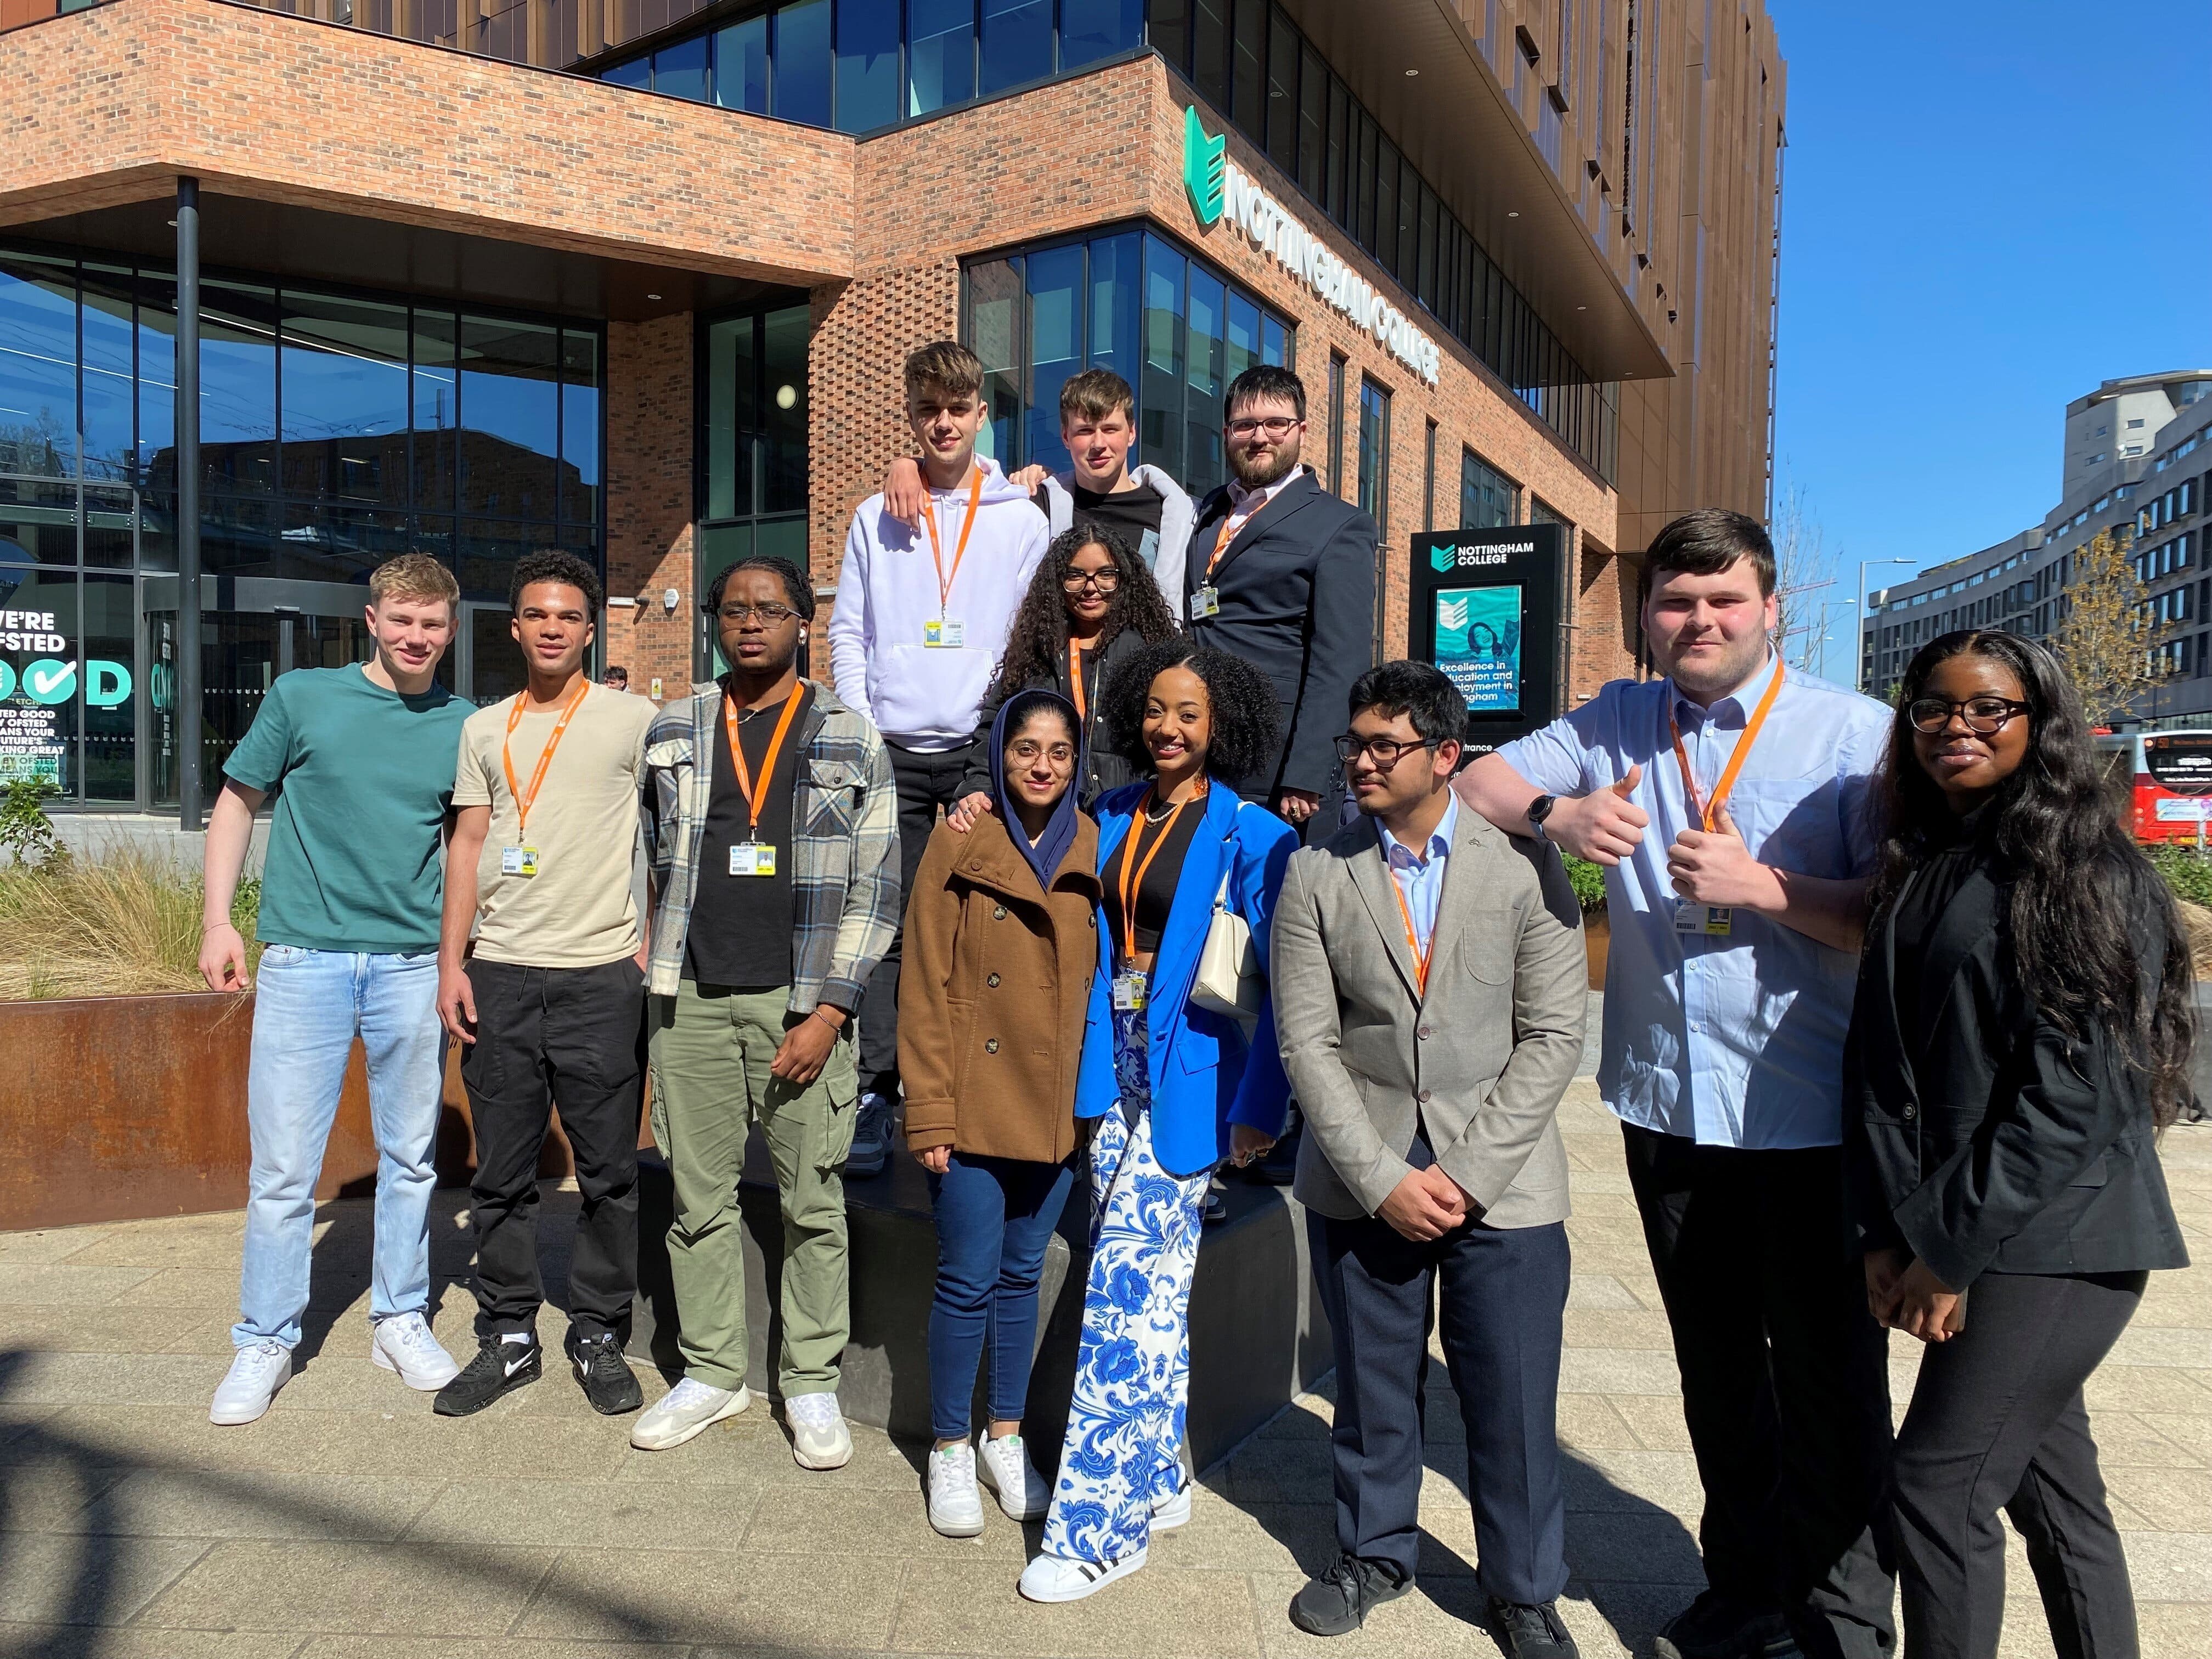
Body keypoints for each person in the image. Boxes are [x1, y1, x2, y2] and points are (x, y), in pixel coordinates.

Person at [1453, 508, 1896, 1659]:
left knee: (1829, 1380)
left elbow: (1895, 916)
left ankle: (1845, 1621)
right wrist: (1558, 813)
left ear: (1770, 609)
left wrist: (1769, 889)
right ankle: (1743, 1587)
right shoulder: (1617, 720)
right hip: (1669, 1110)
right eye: (1676, 601)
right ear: (1647, 616)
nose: (1699, 620)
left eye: (1723, 599)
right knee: (1716, 1372)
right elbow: (1476, 779)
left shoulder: (1854, 736)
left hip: (1806, 1117)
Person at [1847, 630, 2192, 1659]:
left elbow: (2075, 1096)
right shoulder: (1935, 854)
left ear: (2039, 722)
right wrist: (1884, 1229)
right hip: (1973, 1224)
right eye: (1933, 707)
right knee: (2054, 1492)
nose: (1956, 725)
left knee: (1936, 1488)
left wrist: (1944, 1251)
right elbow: (1889, 1067)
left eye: (1988, 707)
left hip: (2054, 1238)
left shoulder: (2083, 870)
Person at [1273, 661, 1587, 1657]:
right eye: (1354, 744)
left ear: (1446, 754)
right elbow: (1307, 1042)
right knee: (1372, 1388)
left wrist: (1465, 1174)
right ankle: (1372, 1552)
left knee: (1513, 1396)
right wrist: (1382, 1178)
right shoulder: (1317, 870)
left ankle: (1524, 1589)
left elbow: (1554, 1034)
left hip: (1506, 1180)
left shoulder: (1523, 865)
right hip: (1363, 1172)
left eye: (1385, 746)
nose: (1360, 762)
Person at [1018, 639, 1297, 1603]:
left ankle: (1103, 1527)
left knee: (1123, 1289)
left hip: (1198, 1083)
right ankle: (1161, 1475)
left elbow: (1290, 987)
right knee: (1151, 1292)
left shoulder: (1255, 835)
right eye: (1155, 709)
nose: (1167, 727)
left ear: (1222, 724)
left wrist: (1263, 1109)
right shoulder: (1111, 812)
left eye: (1188, 713)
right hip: (1112, 1066)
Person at [629, 555, 899, 1470]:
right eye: (735, 609)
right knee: (696, 1198)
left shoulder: (851, 737)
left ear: (802, 623)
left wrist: (829, 1012)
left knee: (812, 1202)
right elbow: (647, 850)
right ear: (714, 620)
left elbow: (876, 889)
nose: (751, 624)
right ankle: (712, 1372)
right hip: (692, 1002)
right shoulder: (675, 726)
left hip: (800, 1005)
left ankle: (811, 1380)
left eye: (771, 610)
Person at [201, 553, 473, 1426]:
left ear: (451, 630)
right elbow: (237, 802)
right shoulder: (302, 697)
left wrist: (460, 956)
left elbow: (469, 849)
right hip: (304, 960)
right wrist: (218, 921)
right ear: (373, 620)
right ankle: (265, 1339)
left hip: (411, 966)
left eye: (431, 624)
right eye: (403, 620)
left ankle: (400, 1318)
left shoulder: (464, 724)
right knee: (284, 1169)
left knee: (412, 1159)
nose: (416, 637)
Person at [432, 550, 658, 1419]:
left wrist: (648, 946)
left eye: (568, 615)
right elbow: (467, 845)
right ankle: (509, 1335)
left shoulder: (634, 721)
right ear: (515, 627)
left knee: (609, 1174)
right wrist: (453, 963)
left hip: (601, 975)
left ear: (590, 629)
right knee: (501, 1175)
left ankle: (598, 1332)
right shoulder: (483, 729)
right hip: (501, 972)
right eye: (538, 614)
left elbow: (671, 834)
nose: (553, 628)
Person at [827, 339, 1051, 1179]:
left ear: (982, 416)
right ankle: (877, 1092)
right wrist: (862, 732)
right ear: (911, 417)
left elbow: (1028, 645)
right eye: (929, 410)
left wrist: (993, 755)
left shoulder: (1021, 521)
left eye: (959, 409)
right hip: (889, 753)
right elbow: (849, 633)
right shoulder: (874, 517)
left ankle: (964, 1093)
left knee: (972, 930)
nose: (944, 423)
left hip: (974, 755)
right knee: (887, 929)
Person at [899, 689, 1098, 1536]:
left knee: (1022, 1277)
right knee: (967, 1278)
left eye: (1058, 751)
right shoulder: (960, 837)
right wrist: (929, 1110)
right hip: (972, 1100)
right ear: (999, 755)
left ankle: (1004, 1437)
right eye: (1025, 749)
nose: (1041, 766)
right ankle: (950, 1445)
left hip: (1055, 1107)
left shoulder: (1094, 839)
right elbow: (924, 978)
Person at [1183, 363, 1378, 838]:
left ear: (1302, 431)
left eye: (1276, 423)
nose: (1259, 437)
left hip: (1278, 771)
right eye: (1245, 425)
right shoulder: (1208, 512)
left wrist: (1309, 772)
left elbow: (1341, 661)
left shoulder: (1340, 525)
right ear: (1226, 433)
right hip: (1198, 750)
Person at [884, 366, 1196, 607]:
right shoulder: (1039, 504)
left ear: (1132, 433)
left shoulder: (1173, 517)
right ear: (1065, 437)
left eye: (1110, 429)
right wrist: (911, 465)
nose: (1099, 443)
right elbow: (964, 490)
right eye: (1085, 431)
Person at [947, 525, 1181, 818]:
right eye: (1076, 575)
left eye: (1106, 575)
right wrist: (978, 787)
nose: (1091, 587)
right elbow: (996, 725)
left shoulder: (1149, 651)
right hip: (1044, 816)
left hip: (1126, 814)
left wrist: (1155, 800)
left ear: (1124, 579)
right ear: (1058, 582)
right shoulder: (1037, 648)